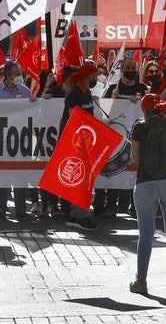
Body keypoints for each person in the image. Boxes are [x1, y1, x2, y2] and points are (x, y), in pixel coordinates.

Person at [129, 93, 166, 296]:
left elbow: (134, 158)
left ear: (144, 110)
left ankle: (141, 281)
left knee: (146, 235)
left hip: (145, 184)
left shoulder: (139, 128)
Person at [0, 61, 35, 219]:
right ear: (8, 76)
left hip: (21, 140)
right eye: (17, 74)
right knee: (1, 174)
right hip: (0, 141)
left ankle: (21, 210)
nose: (21, 77)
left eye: (20, 73)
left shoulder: (25, 91)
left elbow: (32, 110)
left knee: (20, 175)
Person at [62, 59, 99, 231]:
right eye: (94, 75)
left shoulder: (86, 92)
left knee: (84, 179)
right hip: (76, 141)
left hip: (86, 140)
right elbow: (74, 119)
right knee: (82, 179)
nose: (96, 78)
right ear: (87, 76)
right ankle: (80, 215)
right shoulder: (74, 94)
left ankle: (75, 214)